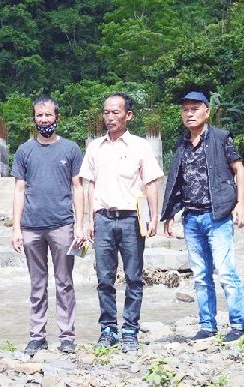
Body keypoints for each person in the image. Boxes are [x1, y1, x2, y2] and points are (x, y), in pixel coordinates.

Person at [160, 92, 244, 343]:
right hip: (191, 218)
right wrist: (169, 214)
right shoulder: (181, 144)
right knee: (200, 275)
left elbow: (239, 170)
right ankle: (207, 325)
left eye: (195, 109)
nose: (189, 113)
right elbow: (176, 182)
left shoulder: (221, 138)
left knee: (225, 271)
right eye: (185, 110)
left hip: (218, 215)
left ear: (207, 112)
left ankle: (240, 324)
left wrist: (240, 204)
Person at [78, 92, 163, 352]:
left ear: (129, 115)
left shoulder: (140, 146)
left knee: (134, 277)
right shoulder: (94, 147)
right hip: (103, 218)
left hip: (131, 219)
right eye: (106, 112)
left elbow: (150, 183)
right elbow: (88, 185)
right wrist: (88, 219)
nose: (110, 117)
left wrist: (154, 217)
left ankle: (130, 330)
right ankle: (107, 329)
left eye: (116, 112)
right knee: (104, 278)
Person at [11, 96, 84, 356]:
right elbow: (19, 190)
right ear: (34, 119)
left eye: (48, 115)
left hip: (62, 225)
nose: (44, 120)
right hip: (31, 226)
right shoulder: (24, 150)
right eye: (39, 116)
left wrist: (81, 225)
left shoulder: (71, 149)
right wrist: (16, 229)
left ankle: (66, 335)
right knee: (37, 283)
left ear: (57, 117)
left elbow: (78, 188)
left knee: (64, 282)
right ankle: (37, 335)